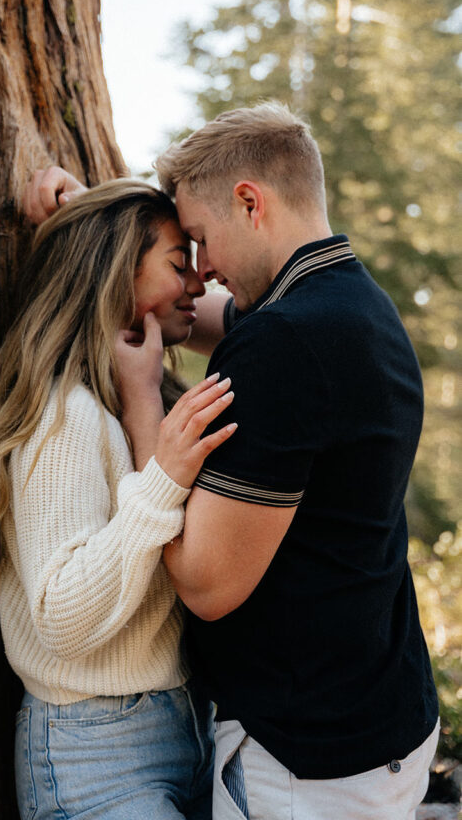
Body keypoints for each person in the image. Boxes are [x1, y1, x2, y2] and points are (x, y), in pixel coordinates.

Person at [25, 102, 439, 820]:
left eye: (199, 240)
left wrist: (143, 404)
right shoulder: (348, 303)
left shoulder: (286, 345)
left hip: (307, 762)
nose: (202, 270)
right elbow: (189, 313)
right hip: (378, 711)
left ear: (249, 202)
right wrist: (88, 223)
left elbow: (204, 585)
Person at [0, 179, 239, 820]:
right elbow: (64, 619)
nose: (197, 284)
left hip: (182, 725)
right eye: (176, 265)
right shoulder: (63, 417)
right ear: (114, 274)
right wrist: (164, 476)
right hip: (95, 750)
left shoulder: (124, 406)